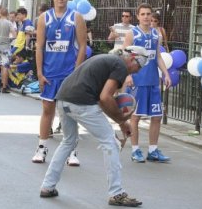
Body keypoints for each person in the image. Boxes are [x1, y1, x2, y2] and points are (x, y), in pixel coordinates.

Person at [39, 46, 148, 207]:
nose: (138, 71)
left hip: (63, 99)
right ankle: (116, 193)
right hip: (80, 102)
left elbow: (100, 98)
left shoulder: (106, 60)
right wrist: (122, 120)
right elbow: (105, 98)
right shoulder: (120, 66)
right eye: (140, 66)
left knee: (68, 141)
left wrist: (120, 121)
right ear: (133, 58)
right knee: (109, 142)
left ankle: (47, 186)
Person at [32, 0, 87, 166]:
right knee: (47, 110)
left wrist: (76, 72)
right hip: (50, 73)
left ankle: (72, 151)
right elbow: (39, 46)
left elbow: (82, 47)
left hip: (68, 73)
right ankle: (41, 148)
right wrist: (40, 73)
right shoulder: (44, 18)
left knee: (70, 113)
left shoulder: (76, 17)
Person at [123, 3, 172, 163]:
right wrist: (127, 75)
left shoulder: (156, 35)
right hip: (138, 82)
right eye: (142, 14)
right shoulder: (132, 34)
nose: (146, 16)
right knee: (135, 117)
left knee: (156, 116)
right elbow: (124, 56)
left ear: (152, 16)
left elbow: (158, 56)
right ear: (137, 16)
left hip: (153, 82)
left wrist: (165, 74)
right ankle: (135, 150)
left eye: (148, 14)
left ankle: (153, 150)